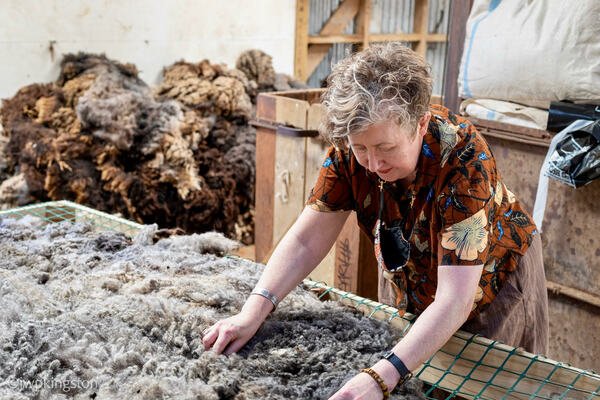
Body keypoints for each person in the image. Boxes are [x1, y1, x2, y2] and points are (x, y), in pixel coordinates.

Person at [202, 42, 549, 399]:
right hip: (410, 267)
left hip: (488, 281)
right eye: (361, 149)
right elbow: (306, 240)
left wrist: (382, 375)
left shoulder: (464, 162)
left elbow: (455, 300)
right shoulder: (351, 153)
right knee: (412, 378)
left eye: (385, 148)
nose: (373, 164)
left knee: (481, 387)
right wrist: (251, 312)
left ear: (420, 123)